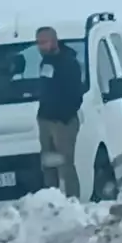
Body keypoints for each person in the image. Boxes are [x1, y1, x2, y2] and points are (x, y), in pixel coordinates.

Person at [35, 26, 84, 198]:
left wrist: (63, 116)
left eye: (44, 42)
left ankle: (72, 201)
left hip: (63, 121)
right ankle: (52, 199)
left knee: (65, 164)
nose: (40, 46)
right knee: (48, 163)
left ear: (54, 41)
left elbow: (76, 93)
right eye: (38, 43)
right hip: (45, 119)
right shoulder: (45, 62)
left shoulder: (68, 62)